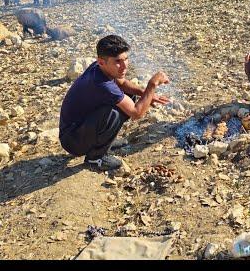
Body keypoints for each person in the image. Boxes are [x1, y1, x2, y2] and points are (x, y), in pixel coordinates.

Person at [58, 35, 170, 171]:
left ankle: (104, 142)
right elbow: (136, 113)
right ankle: (95, 158)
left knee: (129, 96)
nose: (124, 66)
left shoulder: (100, 68)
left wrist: (145, 94)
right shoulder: (102, 84)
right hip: (73, 140)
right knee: (114, 114)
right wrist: (152, 85)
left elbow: (122, 83)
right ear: (101, 61)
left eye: (126, 59)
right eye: (117, 61)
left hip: (82, 127)